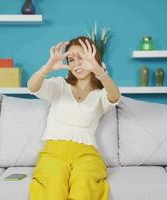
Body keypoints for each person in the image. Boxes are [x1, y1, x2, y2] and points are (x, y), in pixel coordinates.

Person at [28, 36, 121, 200]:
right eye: (71, 59)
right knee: (53, 186)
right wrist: (48, 67)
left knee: (84, 184)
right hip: (53, 153)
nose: (76, 63)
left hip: (87, 154)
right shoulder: (59, 85)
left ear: (94, 58)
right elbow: (32, 86)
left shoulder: (100, 94)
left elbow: (115, 96)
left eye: (82, 57)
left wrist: (98, 70)